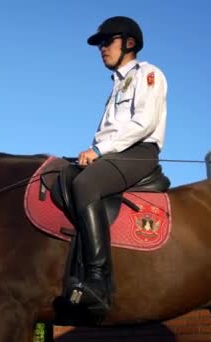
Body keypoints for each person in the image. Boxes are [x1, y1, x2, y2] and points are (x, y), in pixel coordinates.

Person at [68, 16, 167, 312]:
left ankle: (99, 281)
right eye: (99, 44)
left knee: (85, 184)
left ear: (129, 43)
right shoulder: (115, 86)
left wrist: (99, 150)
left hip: (139, 152)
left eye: (107, 41)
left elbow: (143, 122)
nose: (101, 48)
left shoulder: (147, 74)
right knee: (62, 175)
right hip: (114, 154)